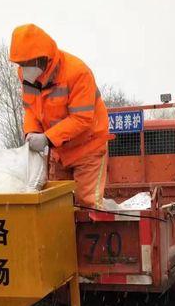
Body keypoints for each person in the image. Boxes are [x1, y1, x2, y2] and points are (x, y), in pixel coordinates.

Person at [9, 24, 111, 207]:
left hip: (88, 148)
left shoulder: (78, 73)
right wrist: (31, 132)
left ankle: (89, 235)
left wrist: (47, 138)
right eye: (20, 64)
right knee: (57, 207)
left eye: (26, 64)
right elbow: (30, 108)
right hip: (59, 152)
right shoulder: (27, 76)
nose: (22, 69)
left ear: (42, 59)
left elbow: (82, 119)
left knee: (87, 207)